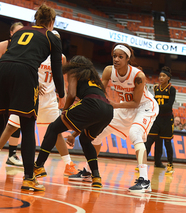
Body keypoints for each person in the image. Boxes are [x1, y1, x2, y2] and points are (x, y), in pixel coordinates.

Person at [0, 3, 65, 192]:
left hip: (2, 70)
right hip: (24, 73)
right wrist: (62, 94)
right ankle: (29, 178)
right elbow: (57, 72)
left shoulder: (21, 31)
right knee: (27, 126)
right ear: (51, 21)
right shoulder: (51, 37)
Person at [68, 43, 159, 193]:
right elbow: (99, 92)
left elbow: (136, 103)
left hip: (144, 107)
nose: (116, 59)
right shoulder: (109, 71)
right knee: (95, 134)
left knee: (135, 134)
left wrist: (113, 105)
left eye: (120, 57)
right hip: (123, 106)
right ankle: (89, 171)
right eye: (114, 56)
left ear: (127, 59)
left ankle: (144, 180)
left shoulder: (138, 76)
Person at [0, 30, 78, 176]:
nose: (55, 42)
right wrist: (36, 83)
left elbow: (58, 76)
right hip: (30, 94)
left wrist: (61, 95)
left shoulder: (62, 58)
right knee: (11, 127)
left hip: (49, 99)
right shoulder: (36, 52)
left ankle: (68, 165)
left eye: (57, 39)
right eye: (53, 39)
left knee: (56, 131)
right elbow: (25, 70)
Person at [34, 55, 113, 189]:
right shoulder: (93, 78)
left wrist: (64, 111)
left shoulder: (74, 72)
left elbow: (71, 94)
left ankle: (39, 166)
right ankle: (96, 176)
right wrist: (74, 134)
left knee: (53, 128)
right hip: (108, 110)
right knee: (86, 140)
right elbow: (88, 117)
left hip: (91, 104)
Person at [0, 22, 25, 167]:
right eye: (16, 32)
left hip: (16, 89)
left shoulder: (25, 49)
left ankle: (12, 155)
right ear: (10, 33)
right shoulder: (3, 45)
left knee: (16, 121)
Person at [145, 66, 176, 175]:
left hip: (167, 120)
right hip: (157, 119)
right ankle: (142, 164)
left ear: (168, 78)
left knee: (167, 143)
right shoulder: (156, 88)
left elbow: (169, 105)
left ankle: (170, 164)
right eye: (160, 76)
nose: (161, 78)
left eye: (164, 76)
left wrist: (156, 107)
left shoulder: (171, 89)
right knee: (148, 141)